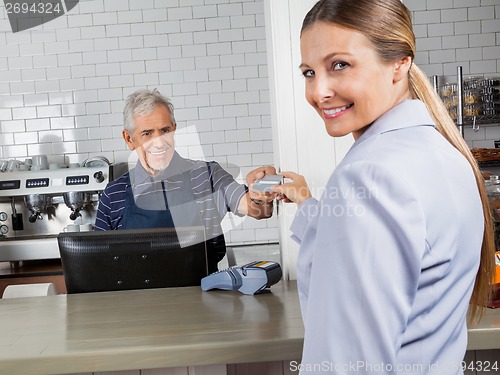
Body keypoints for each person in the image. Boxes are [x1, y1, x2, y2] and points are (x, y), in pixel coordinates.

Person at [272, 0, 495, 373]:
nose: (319, 91)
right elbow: (394, 247)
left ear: (399, 63)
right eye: (309, 72)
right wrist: (306, 200)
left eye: (339, 65)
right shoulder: (445, 154)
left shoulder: (369, 174)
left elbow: (346, 365)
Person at [95, 89, 275, 273]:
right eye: (147, 134)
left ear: (174, 129)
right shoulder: (113, 194)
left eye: (164, 130)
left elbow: (257, 209)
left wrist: (261, 188)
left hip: (202, 297)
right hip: (137, 300)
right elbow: (97, 262)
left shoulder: (207, 175)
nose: (159, 142)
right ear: (129, 139)